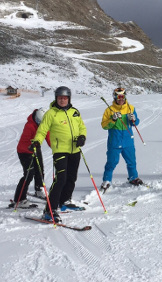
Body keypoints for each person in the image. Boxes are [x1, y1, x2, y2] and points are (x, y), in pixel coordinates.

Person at [31, 86, 87, 222]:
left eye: (65, 98)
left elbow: (82, 127)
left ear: (69, 99)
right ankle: (49, 210)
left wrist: (82, 137)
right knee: (60, 179)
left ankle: (64, 201)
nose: (62, 100)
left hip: (74, 150)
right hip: (60, 150)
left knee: (71, 177)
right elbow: (42, 129)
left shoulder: (75, 112)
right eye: (60, 98)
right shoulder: (51, 114)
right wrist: (37, 141)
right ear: (56, 98)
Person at [100, 87, 143, 192]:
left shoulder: (131, 108)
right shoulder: (109, 110)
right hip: (114, 141)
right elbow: (104, 126)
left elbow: (136, 123)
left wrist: (134, 119)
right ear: (114, 97)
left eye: (122, 97)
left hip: (128, 141)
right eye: (118, 97)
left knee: (131, 161)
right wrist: (113, 119)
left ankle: (133, 177)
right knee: (112, 162)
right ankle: (106, 180)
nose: (121, 99)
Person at [11, 108, 50, 208]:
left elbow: (48, 136)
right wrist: (32, 146)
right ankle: (19, 200)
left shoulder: (44, 123)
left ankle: (38, 189)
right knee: (29, 174)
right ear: (36, 119)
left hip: (36, 147)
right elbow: (26, 140)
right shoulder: (29, 126)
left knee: (40, 169)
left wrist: (55, 147)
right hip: (25, 151)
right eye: (39, 122)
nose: (40, 124)